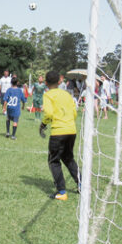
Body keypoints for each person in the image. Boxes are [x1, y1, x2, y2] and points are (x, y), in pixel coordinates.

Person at [39, 70, 79, 200]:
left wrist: (43, 124)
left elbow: (49, 114)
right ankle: (82, 185)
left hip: (58, 132)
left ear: (46, 83)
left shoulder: (48, 95)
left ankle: (62, 192)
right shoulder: (67, 94)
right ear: (59, 81)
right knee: (68, 158)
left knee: (54, 161)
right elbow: (74, 112)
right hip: (71, 130)